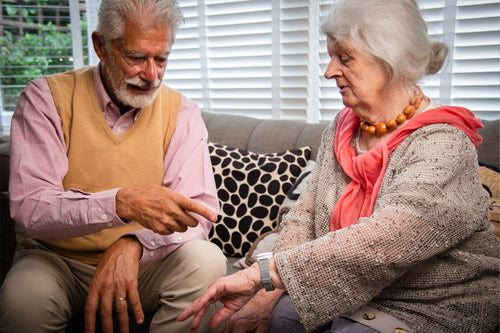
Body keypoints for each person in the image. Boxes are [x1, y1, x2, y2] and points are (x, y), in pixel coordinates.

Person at [178, 0, 500, 332]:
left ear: (389, 60)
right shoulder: (343, 127)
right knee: (275, 320)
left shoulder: (444, 143)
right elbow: (304, 217)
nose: (329, 71)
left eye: (344, 57)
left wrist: (267, 272)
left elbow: (388, 239)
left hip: (431, 303)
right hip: (353, 292)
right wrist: (264, 298)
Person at [0, 0, 227, 332]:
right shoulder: (45, 99)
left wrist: (133, 243)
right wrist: (119, 203)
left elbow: (198, 212)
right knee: (23, 299)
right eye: (136, 58)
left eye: (161, 59)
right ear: (100, 46)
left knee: (207, 261)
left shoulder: (183, 113)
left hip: (144, 263)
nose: (152, 75)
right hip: (57, 260)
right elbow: (31, 208)